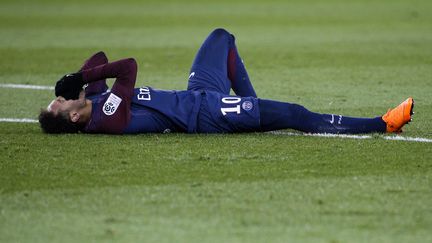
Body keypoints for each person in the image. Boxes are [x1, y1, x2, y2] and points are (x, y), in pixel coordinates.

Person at [39, 28, 414, 135]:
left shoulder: (91, 99)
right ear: (72, 118)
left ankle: (255, 110)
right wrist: (82, 79)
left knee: (221, 38)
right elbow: (127, 67)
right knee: (295, 114)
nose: (58, 98)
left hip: (198, 95)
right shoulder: (106, 117)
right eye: (57, 103)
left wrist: (78, 79)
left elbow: (99, 59)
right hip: (207, 115)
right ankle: (383, 123)